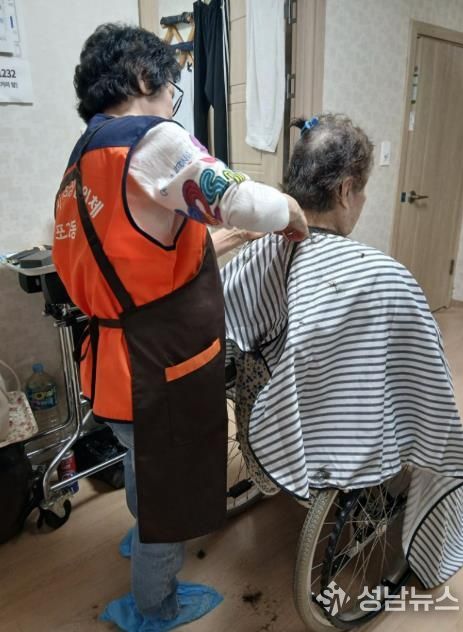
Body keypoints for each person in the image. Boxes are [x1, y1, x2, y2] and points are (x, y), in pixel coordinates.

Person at [52, 23, 308, 632]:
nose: (173, 102)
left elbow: (137, 262)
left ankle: (140, 533)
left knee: (142, 467)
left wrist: (222, 242)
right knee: (167, 503)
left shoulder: (84, 162)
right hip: (155, 371)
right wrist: (292, 213)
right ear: (145, 78)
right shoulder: (150, 138)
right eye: (172, 87)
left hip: (112, 368)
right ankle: (154, 605)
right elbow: (239, 197)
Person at [222, 113, 463, 591]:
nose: (361, 202)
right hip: (330, 435)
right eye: (361, 192)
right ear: (344, 191)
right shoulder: (382, 279)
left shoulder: (260, 249)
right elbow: (426, 385)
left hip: (261, 420)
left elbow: (232, 332)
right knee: (449, 441)